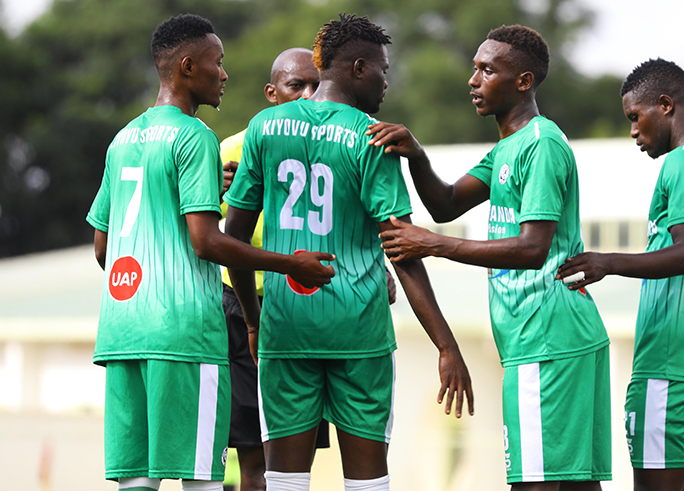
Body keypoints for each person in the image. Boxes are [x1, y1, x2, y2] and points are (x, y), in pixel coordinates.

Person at [223, 13, 474, 491]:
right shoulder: (373, 136)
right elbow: (402, 250)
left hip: (286, 328)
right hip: (359, 331)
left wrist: (255, 321)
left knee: (283, 481)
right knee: (366, 484)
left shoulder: (263, 127)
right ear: (358, 68)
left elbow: (233, 240)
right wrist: (446, 344)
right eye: (382, 68)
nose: (387, 80)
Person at [86, 14, 334, 491]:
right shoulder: (194, 135)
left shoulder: (123, 140)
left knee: (136, 480)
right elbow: (206, 241)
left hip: (121, 327)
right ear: (186, 67)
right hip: (183, 331)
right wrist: (291, 263)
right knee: (200, 477)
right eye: (216, 63)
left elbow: (103, 245)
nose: (223, 74)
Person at [369, 24, 610, 491]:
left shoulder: (540, 144)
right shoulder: (508, 147)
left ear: (523, 81)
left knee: (534, 482)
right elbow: (446, 203)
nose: (473, 80)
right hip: (547, 339)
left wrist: (435, 245)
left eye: (486, 70)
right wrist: (416, 155)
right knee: (576, 485)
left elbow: (532, 247)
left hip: (548, 338)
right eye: (474, 68)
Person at [556, 58, 684, 491]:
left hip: (672, 365)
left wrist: (608, 262)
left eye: (635, 117)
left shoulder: (682, 164)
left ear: (664, 105)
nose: (633, 132)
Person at [217, 47, 329, 491]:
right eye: (295, 85)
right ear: (271, 93)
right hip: (244, 305)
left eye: (316, 85)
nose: (307, 94)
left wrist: (379, 266)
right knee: (252, 462)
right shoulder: (233, 148)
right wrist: (217, 187)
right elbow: (213, 232)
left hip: (304, 302)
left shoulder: (328, 143)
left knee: (293, 460)